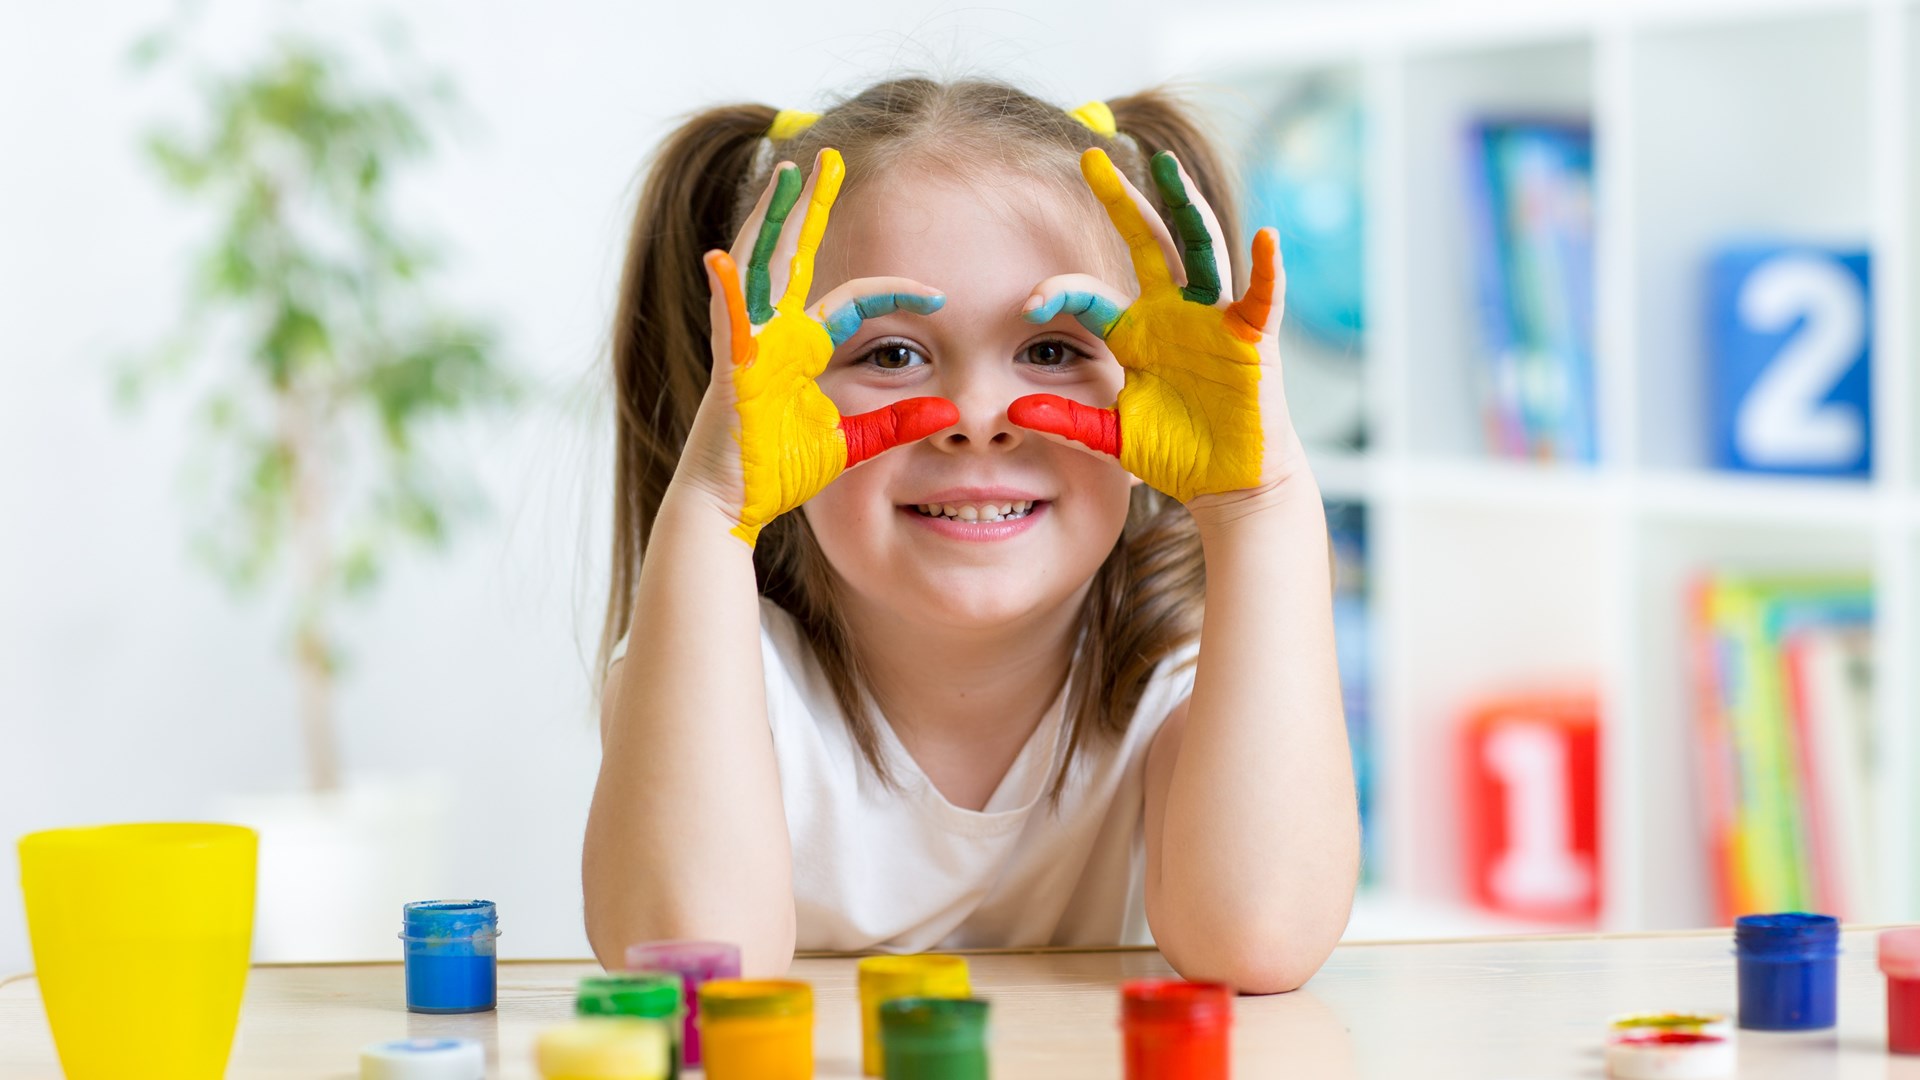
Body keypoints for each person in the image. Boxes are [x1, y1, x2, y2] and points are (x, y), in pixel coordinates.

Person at [583, 77, 1358, 994]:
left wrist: (1257, 500)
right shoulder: (718, 659)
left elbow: (1258, 940)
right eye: (891, 353)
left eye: (1056, 349)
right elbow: (688, 967)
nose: (979, 417)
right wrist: (714, 511)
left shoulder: (1185, 669)